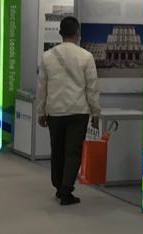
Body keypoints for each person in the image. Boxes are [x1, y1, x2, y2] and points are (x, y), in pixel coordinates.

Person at [36, 15, 100, 206]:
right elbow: (92, 88)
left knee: (57, 151)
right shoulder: (86, 56)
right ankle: (66, 190)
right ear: (77, 33)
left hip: (55, 111)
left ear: (60, 33)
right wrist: (95, 112)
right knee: (73, 152)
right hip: (78, 111)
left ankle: (58, 187)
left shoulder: (47, 56)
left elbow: (42, 87)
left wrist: (41, 111)